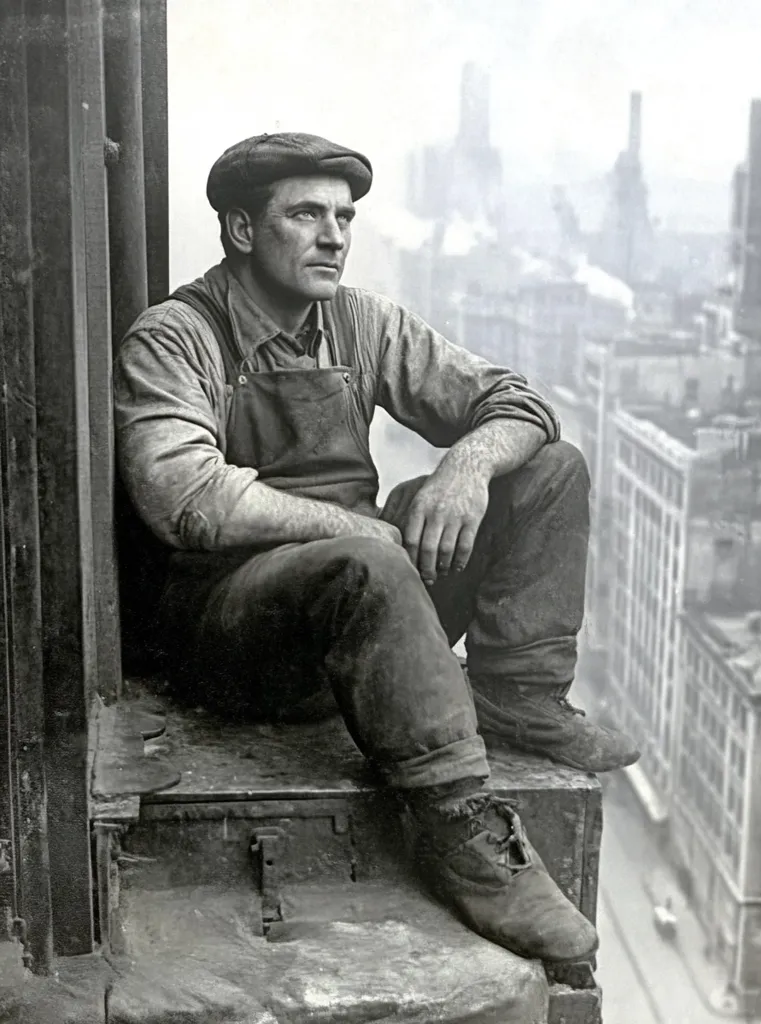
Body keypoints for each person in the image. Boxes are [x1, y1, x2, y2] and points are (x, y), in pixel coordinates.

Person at [114, 132, 639, 965]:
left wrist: (466, 464)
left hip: (368, 597)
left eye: (345, 216)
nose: (334, 235)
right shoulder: (175, 337)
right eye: (306, 215)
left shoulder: (359, 322)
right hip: (236, 631)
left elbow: (516, 402)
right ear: (242, 231)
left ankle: (516, 695)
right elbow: (186, 499)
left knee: (547, 470)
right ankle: (460, 827)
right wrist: (359, 529)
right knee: (369, 561)